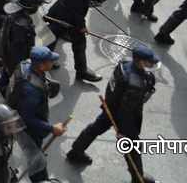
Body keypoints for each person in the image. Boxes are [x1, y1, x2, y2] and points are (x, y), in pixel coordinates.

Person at [67, 45, 161, 182]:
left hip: (111, 105)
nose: (151, 64)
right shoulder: (135, 84)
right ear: (140, 61)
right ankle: (138, 177)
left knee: (95, 128)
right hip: (123, 116)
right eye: (149, 61)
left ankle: (76, 151)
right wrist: (123, 131)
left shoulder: (124, 64)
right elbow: (127, 110)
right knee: (133, 146)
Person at [6, 46, 67, 183]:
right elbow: (28, 119)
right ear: (41, 65)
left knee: (36, 153)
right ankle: (40, 179)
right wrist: (52, 128)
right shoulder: (31, 92)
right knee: (35, 158)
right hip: (26, 129)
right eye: (50, 61)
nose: (53, 62)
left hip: (18, 109)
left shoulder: (26, 64)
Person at [0, 0, 44, 94]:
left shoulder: (14, 15)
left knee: (7, 70)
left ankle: (3, 85)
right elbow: (21, 49)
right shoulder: (23, 27)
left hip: (7, 52)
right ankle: (8, 92)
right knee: (15, 78)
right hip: (16, 59)